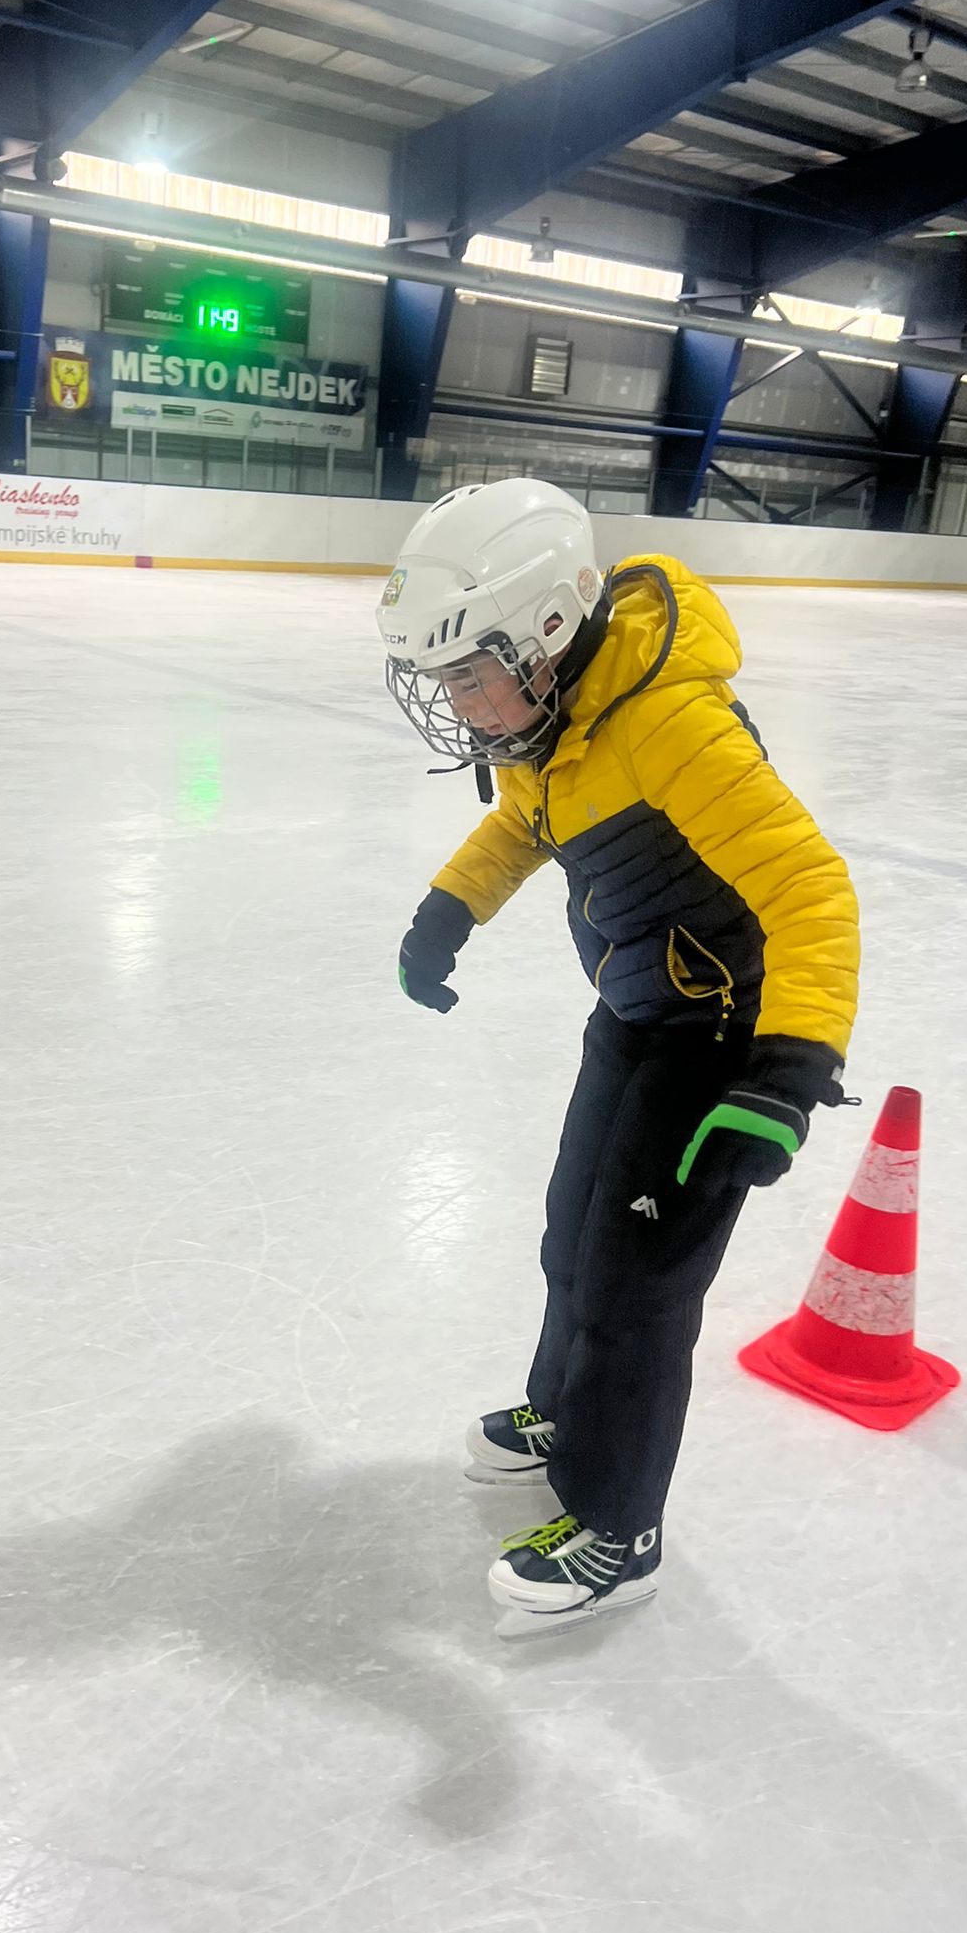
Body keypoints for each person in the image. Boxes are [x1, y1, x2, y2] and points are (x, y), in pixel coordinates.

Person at [377, 478, 860, 1638]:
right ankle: (563, 1410)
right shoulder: (551, 719)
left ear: (545, 632)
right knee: (573, 1236)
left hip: (723, 1043)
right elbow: (528, 818)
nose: (457, 702)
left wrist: (789, 1072)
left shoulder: (665, 720)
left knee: (639, 1290)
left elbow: (811, 887)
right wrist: (451, 907)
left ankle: (619, 1527)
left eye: (468, 674)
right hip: (637, 1013)